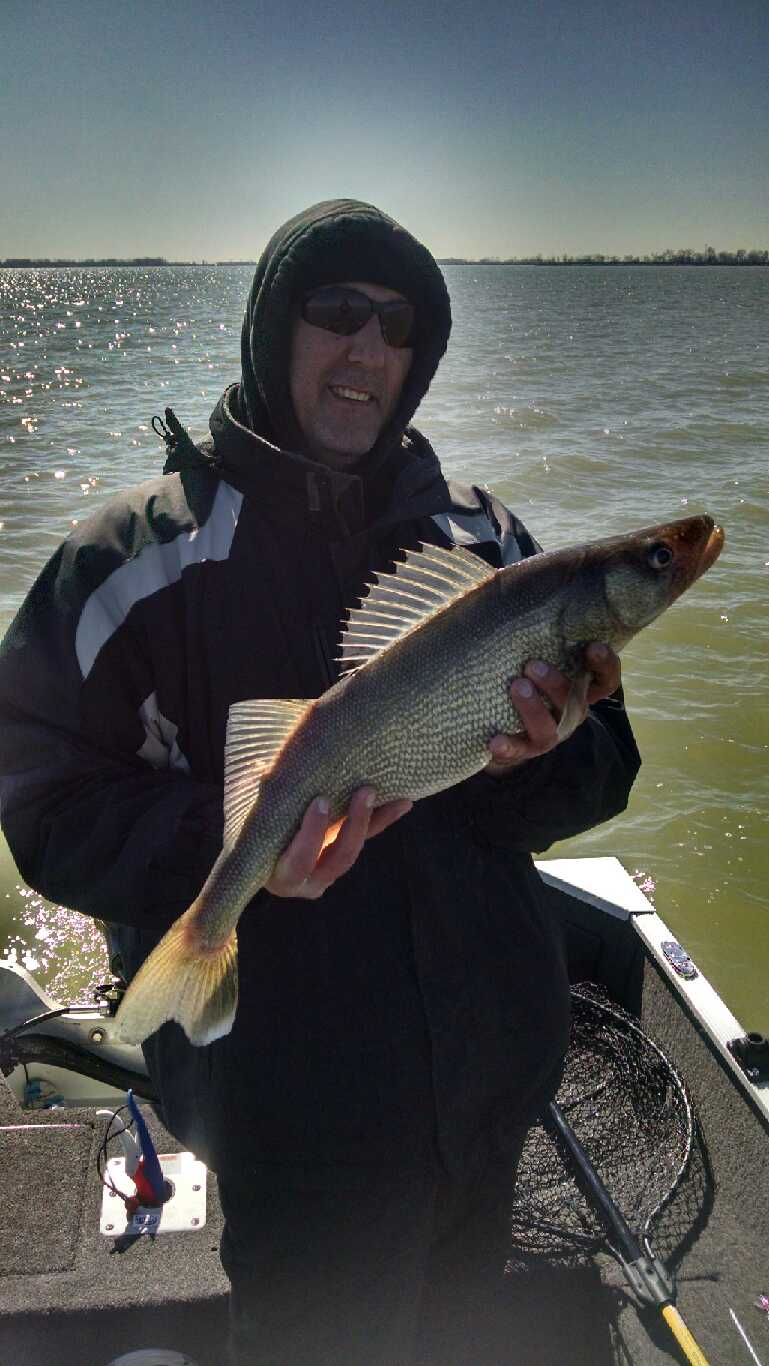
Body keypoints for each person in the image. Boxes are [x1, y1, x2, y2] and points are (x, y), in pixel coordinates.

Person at [0, 199, 640, 1364]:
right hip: (296, 1129)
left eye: (398, 326)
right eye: (335, 312)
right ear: (270, 330)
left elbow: (606, 773)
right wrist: (233, 839)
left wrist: (534, 756)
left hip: (490, 1096)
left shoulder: (485, 544)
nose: (368, 349)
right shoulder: (126, 564)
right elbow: (42, 804)